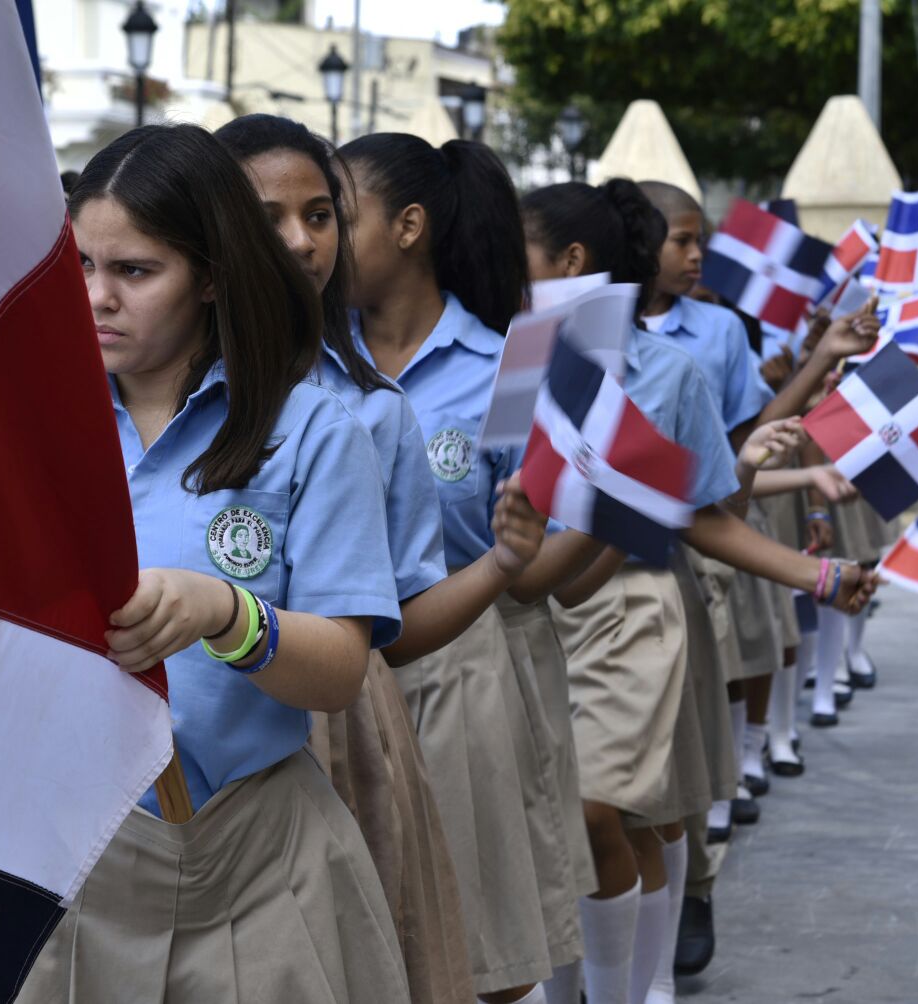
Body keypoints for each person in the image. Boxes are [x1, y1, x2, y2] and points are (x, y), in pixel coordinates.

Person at [18, 124, 409, 1003]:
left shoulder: (311, 431)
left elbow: (341, 671)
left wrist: (227, 615)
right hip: (69, 851)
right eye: (79, 265)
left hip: (254, 854)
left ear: (212, 276)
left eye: (135, 271)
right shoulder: (25, 426)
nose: (97, 297)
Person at [520, 179, 878, 1004]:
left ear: (571, 261)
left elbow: (700, 512)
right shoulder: (509, 359)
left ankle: (635, 984)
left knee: (614, 812)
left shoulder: (672, 368)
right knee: (571, 824)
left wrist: (813, 573)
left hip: (632, 612)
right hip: (529, 614)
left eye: (520, 254)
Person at [216, 112, 545, 1004]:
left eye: (323, 215)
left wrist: (507, 563)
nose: (302, 241)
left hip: (344, 726)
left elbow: (392, 626)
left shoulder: (386, 403)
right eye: (269, 215)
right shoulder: (157, 385)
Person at [337, 131, 589, 1004]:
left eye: (336, 214)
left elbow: (539, 562)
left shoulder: (513, 368)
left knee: (479, 951)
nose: (314, 239)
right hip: (334, 674)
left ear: (409, 227)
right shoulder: (312, 363)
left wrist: (522, 553)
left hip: (462, 670)